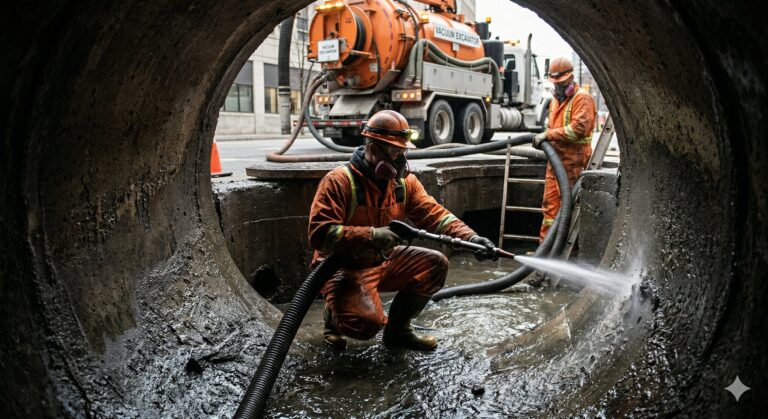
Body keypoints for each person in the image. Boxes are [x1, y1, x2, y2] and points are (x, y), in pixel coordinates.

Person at [308, 110, 496, 351]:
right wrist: (373, 235)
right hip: (343, 267)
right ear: (374, 150)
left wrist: (471, 237)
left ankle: (398, 331)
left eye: (403, 153)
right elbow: (320, 234)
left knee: (436, 264)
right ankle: (333, 318)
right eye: (396, 153)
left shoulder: (403, 183)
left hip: (382, 260)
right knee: (365, 324)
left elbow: (436, 216)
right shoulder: (339, 182)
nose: (401, 162)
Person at [532, 57, 596, 241]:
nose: (558, 87)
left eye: (561, 83)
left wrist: (548, 135)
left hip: (573, 165)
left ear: (571, 78)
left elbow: (578, 130)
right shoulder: (554, 101)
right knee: (550, 210)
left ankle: (570, 254)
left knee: (570, 210)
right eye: (555, 83)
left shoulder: (582, 99)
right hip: (555, 164)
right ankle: (545, 254)